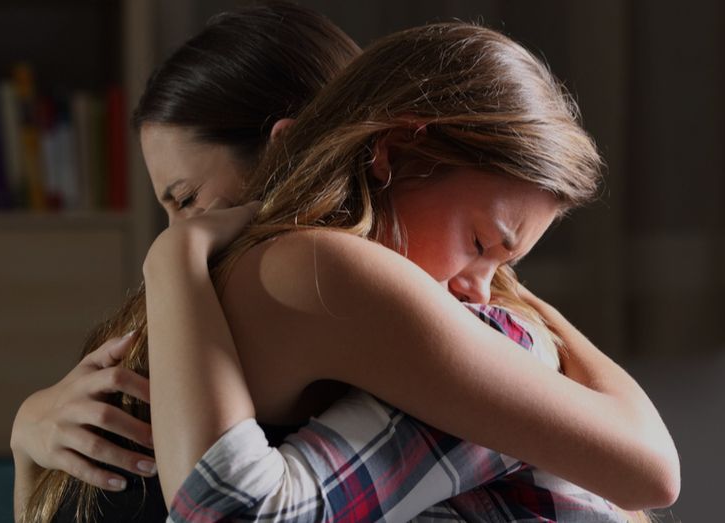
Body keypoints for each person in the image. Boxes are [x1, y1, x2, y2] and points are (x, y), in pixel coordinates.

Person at [143, 21, 680, 523]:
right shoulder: (318, 267)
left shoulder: (279, 276)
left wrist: (172, 259)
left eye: (504, 265)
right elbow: (653, 470)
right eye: (478, 242)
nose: (478, 288)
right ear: (395, 151)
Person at [11, 3, 360, 522]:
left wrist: (171, 261)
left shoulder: (299, 287)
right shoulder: (204, 303)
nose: (181, 228)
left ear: (286, 152)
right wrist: (26, 444)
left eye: (187, 197)